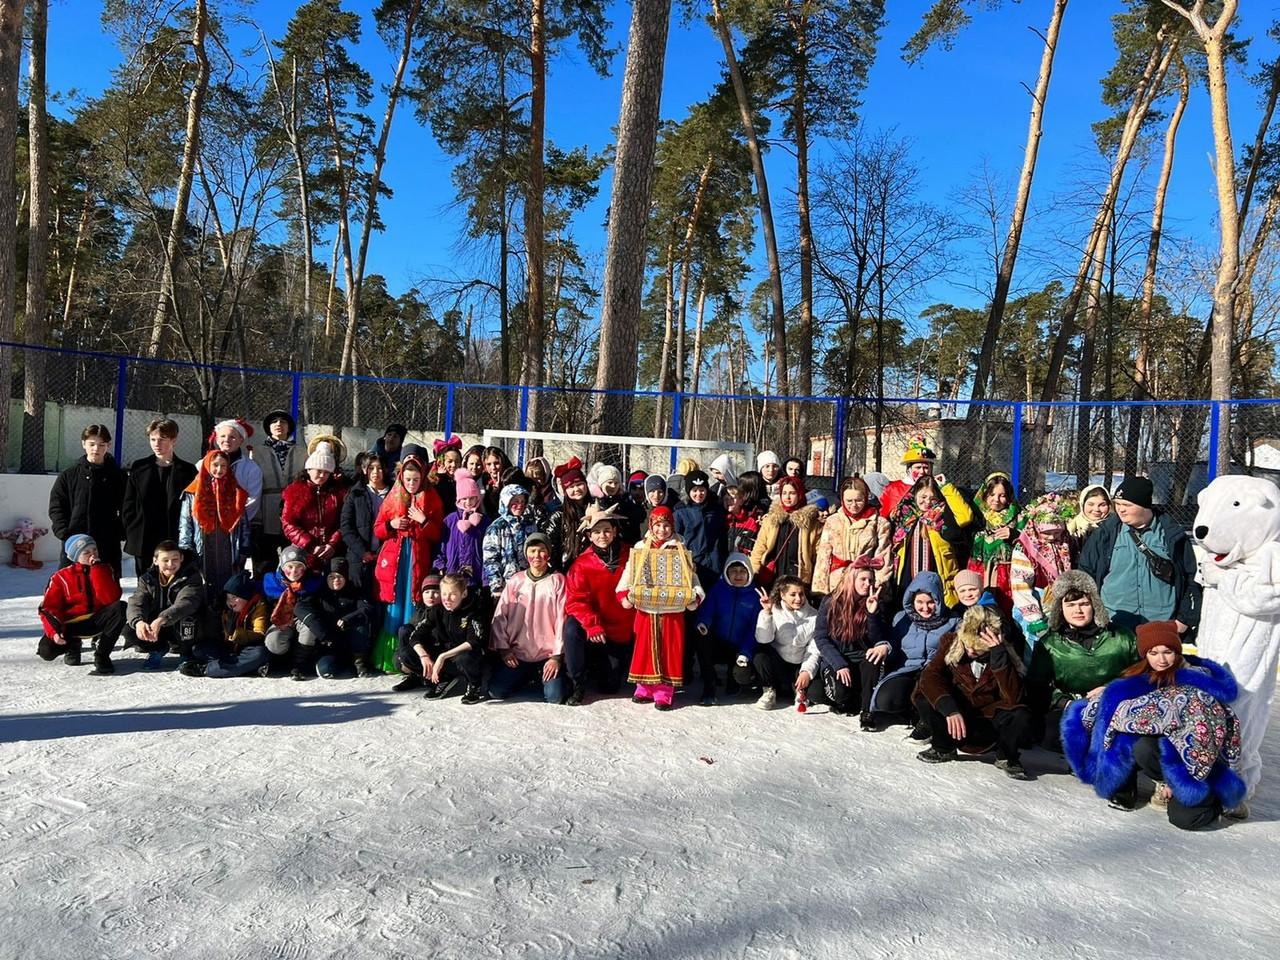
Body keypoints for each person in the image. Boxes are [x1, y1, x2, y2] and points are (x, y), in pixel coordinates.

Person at [1062, 620, 1245, 830]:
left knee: (1184, 819)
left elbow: (1203, 736)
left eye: (1167, 651)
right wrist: (1107, 691)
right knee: (1138, 743)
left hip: (1201, 763)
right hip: (1167, 757)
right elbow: (1131, 707)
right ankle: (1154, 783)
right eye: (1153, 653)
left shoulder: (1197, 683)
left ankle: (1222, 805)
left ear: (1177, 651)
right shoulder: (1144, 679)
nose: (1161, 659)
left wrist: (1180, 780)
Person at [913, 605, 1035, 780]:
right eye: (967, 645)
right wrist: (949, 709)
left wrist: (999, 656)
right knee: (925, 697)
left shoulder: (1007, 651)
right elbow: (930, 676)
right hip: (956, 718)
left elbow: (1015, 698)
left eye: (977, 649)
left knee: (1020, 714)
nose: (970, 651)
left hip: (989, 724)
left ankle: (1006, 756)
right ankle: (943, 747)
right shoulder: (949, 642)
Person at [1026, 570, 1138, 748]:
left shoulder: (1122, 636)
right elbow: (1036, 686)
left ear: (1094, 605)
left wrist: (1111, 689)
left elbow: (1141, 675)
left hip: (1116, 705)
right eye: (1070, 605)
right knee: (1050, 736)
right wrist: (1065, 702)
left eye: (1084, 604)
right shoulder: (1050, 643)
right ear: (1060, 609)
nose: (1077, 610)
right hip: (1072, 706)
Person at [1078, 475, 1200, 635]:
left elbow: (1192, 578)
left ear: (1144, 506)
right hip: (1115, 624)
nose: (1120, 509)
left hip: (1161, 624)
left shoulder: (1171, 535)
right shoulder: (1105, 534)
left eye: (1127, 505)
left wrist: (1184, 619)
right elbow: (1086, 575)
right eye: (1118, 504)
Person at [618, 506, 704, 711]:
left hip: (671, 611)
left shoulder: (680, 548)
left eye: (666, 526)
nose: (662, 530)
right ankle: (644, 686)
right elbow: (630, 573)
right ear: (651, 526)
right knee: (644, 648)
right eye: (658, 525)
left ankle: (664, 691)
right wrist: (624, 594)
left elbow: (691, 578)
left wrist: (695, 596)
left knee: (669, 650)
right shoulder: (641, 547)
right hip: (646, 609)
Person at [370, 454, 444, 673]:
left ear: (423, 478)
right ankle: (389, 657)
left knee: (414, 602)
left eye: (416, 479)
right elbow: (378, 529)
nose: (412, 484)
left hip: (418, 558)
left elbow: (438, 534)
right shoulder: (392, 498)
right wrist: (392, 524)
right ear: (401, 477)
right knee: (395, 602)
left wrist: (424, 521)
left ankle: (412, 656)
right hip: (396, 559)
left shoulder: (432, 500)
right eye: (408, 479)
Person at [562, 504, 635, 705]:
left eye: (606, 530)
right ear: (589, 536)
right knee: (571, 630)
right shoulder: (582, 564)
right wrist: (592, 624)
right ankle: (577, 682)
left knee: (609, 687)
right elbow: (576, 601)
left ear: (615, 532)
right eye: (596, 532)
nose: (601, 536)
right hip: (594, 626)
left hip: (620, 628)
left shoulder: (632, 555)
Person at [806, 559, 891, 728]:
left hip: (862, 657)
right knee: (839, 695)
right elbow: (821, 637)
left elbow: (876, 640)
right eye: (863, 579)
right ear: (852, 579)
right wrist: (839, 664)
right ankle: (850, 697)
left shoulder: (877, 602)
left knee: (873, 661)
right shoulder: (831, 602)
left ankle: (867, 711)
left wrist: (872, 613)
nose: (867, 584)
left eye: (871, 580)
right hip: (838, 658)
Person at [869, 571, 959, 725]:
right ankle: (909, 710)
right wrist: (885, 647)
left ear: (939, 600)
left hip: (935, 673)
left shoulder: (953, 621)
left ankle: (925, 716)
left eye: (930, 602)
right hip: (908, 669)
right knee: (886, 700)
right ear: (912, 600)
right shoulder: (902, 618)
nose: (925, 608)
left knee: (930, 694)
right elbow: (893, 646)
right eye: (920, 602)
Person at [488, 533, 568, 703]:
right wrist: (504, 649)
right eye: (532, 551)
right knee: (496, 691)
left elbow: (563, 619)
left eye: (541, 551)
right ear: (526, 554)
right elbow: (500, 616)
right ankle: (524, 676)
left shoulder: (557, 581)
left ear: (549, 554)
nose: (537, 555)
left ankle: (553, 679)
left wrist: (557, 657)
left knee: (555, 697)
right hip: (518, 654)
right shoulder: (516, 581)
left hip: (547, 655)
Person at [37, 534, 126, 675]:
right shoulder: (60, 577)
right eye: (87, 552)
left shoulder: (105, 570)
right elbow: (49, 608)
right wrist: (55, 632)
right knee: (47, 651)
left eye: (95, 550)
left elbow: (110, 599)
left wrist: (97, 571)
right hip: (71, 624)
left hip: (97, 620)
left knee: (120, 607)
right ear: (75, 557)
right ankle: (73, 645)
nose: (93, 555)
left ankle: (102, 655)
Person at [121, 417, 197, 576]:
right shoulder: (139, 467)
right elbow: (129, 503)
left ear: (173, 440)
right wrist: (132, 527)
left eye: (162, 439)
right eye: (153, 439)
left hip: (174, 536)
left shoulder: (188, 471)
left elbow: (193, 507)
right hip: (144, 537)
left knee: (175, 582)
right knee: (145, 584)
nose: (157, 444)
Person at [48, 424, 126, 576]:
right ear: (83, 444)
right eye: (91, 444)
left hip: (107, 544)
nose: (96, 449)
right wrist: (65, 533)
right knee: (70, 588)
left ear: (108, 445)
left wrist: (120, 532)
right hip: (75, 543)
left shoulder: (118, 476)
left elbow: (128, 508)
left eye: (101, 445)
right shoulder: (69, 475)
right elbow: (57, 507)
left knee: (107, 590)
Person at [178, 449, 251, 604]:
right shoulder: (193, 492)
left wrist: (244, 547)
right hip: (204, 543)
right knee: (205, 583)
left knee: (228, 582)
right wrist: (185, 549)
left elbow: (243, 522)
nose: (219, 469)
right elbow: (185, 523)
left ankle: (226, 616)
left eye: (223, 466)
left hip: (228, 543)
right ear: (207, 465)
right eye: (215, 465)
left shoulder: (235, 490)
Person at [890, 475, 974, 609]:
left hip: (938, 576)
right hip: (909, 577)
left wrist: (946, 487)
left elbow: (966, 516)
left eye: (932, 498)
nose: (927, 502)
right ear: (915, 494)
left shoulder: (942, 515)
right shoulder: (905, 515)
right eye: (923, 497)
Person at [408, 572, 487, 703]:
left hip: (465, 656)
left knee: (465, 657)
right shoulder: (437, 610)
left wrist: (443, 656)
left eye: (453, 594)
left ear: (464, 594)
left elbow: (475, 641)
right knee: (408, 654)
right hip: (445, 653)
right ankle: (443, 678)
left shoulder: (473, 611)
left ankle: (474, 685)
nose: (447, 599)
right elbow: (416, 636)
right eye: (444, 594)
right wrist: (424, 656)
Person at [692, 553, 760, 705]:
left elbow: (754, 629)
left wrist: (745, 652)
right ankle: (709, 685)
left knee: (740, 675)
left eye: (742, 571)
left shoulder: (755, 596)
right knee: (702, 637)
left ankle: (733, 678)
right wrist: (703, 623)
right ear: (726, 572)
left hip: (739, 648)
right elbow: (707, 610)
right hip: (719, 643)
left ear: (749, 573)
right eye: (733, 571)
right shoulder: (718, 589)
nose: (737, 575)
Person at [1009, 493, 1077, 647]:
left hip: (1061, 602)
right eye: (1047, 533)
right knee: (1036, 646)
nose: (1052, 537)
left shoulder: (1065, 542)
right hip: (1036, 602)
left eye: (1057, 532)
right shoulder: (1026, 547)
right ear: (1036, 527)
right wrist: (1034, 618)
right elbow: (1020, 583)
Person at [124, 540, 205, 670]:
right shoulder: (148, 578)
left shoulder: (191, 576)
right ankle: (158, 649)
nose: (170, 564)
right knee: (130, 630)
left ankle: (186, 653)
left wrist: (161, 619)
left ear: (181, 558)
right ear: (155, 561)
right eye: (165, 560)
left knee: (187, 619)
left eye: (175, 559)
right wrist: (139, 622)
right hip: (158, 626)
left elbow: (186, 603)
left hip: (179, 624)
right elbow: (137, 601)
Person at [179, 572, 273, 678]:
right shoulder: (226, 608)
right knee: (200, 650)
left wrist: (235, 632)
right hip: (229, 648)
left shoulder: (259, 606)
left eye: (234, 597)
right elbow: (213, 635)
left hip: (248, 648)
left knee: (260, 654)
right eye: (228, 598)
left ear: (246, 597)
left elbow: (260, 635)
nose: (231, 601)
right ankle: (249, 668)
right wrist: (214, 614)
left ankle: (206, 669)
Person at [744, 576, 818, 710]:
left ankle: (799, 692)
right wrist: (767, 613)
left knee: (817, 695)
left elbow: (814, 649)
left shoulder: (814, 616)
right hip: (778, 663)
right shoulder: (775, 611)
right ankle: (769, 690)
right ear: (783, 595)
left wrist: (806, 671)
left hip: (799, 664)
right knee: (761, 654)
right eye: (793, 594)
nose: (798, 599)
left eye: (801, 594)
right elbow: (763, 640)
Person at [294, 557, 374, 678]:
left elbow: (367, 609)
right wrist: (320, 630)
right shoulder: (319, 593)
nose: (336, 580)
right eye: (331, 576)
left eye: (339, 576)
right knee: (326, 671)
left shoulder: (354, 592)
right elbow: (300, 608)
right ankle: (303, 664)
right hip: (329, 643)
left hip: (350, 641)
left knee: (361, 623)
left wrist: (348, 620)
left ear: (346, 577)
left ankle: (359, 663)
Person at [812, 476, 892, 596]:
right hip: (837, 582)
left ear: (865, 498)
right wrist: (820, 589)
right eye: (849, 501)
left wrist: (877, 585)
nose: (854, 505)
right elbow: (823, 556)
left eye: (858, 500)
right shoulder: (833, 521)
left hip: (865, 583)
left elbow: (884, 557)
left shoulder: (879, 523)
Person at [281, 439, 347, 571]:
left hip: (331, 551)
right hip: (302, 551)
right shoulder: (296, 491)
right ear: (309, 469)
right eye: (318, 470)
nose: (322, 475)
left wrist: (333, 544)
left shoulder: (338, 494)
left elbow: (344, 521)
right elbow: (289, 523)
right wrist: (310, 545)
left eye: (327, 472)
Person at [262, 545, 324, 680]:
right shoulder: (272, 582)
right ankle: (282, 661)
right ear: (283, 567)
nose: (294, 571)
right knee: (274, 641)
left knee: (309, 632)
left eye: (298, 567)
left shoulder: (313, 582)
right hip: (281, 619)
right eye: (290, 567)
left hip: (303, 619)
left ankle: (299, 664)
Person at [255, 409, 306, 570]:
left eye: (283, 422)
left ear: (289, 427)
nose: (279, 425)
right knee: (264, 560)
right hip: (266, 507)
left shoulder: (301, 451)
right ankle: (262, 593)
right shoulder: (256, 452)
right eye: (274, 422)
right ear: (268, 427)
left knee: (293, 557)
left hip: (293, 509)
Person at [750, 475, 822, 588]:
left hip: (797, 578)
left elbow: (817, 554)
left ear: (800, 494)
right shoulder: (771, 519)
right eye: (784, 493)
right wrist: (754, 571)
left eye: (792, 493)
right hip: (772, 576)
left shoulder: (811, 523)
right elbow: (760, 547)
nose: (787, 497)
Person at [967, 472, 1021, 608]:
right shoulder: (975, 515)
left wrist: (1015, 535)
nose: (996, 500)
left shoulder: (1018, 516)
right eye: (992, 495)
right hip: (979, 568)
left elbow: (1031, 540)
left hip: (1007, 571)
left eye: (1002, 496)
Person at [340, 451, 392, 592]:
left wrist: (383, 552)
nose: (376, 472)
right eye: (371, 468)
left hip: (387, 556)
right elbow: (346, 527)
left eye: (380, 468)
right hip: (359, 557)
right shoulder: (355, 494)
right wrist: (362, 552)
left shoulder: (394, 493)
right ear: (364, 470)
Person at [390, 571, 444, 691]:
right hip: (419, 656)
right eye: (427, 592)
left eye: (436, 592)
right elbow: (403, 643)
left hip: (437, 657)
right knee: (404, 630)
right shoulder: (417, 614)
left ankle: (435, 678)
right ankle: (415, 675)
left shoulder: (445, 614)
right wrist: (400, 661)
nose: (430, 596)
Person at [439, 469, 490, 590]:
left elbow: (488, 550)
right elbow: (441, 545)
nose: (468, 502)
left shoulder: (484, 521)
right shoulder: (450, 521)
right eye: (464, 498)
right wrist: (440, 565)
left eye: (472, 498)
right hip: (452, 573)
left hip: (476, 575)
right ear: (458, 499)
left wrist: (486, 579)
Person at [675, 470, 726, 589]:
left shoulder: (716, 510)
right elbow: (676, 540)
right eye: (694, 490)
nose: (699, 494)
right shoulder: (681, 512)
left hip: (714, 565)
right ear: (688, 492)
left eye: (702, 490)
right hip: (693, 565)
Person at [483, 483, 537, 596]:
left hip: (528, 582)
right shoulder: (496, 527)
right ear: (506, 503)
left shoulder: (530, 524)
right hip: (506, 586)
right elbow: (490, 559)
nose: (519, 505)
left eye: (522, 502)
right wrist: (497, 586)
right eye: (515, 502)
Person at [210, 418, 263, 526]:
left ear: (241, 441)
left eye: (232, 437)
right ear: (216, 439)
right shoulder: (203, 464)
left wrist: (233, 520)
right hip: (209, 522)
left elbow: (253, 499)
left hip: (238, 524)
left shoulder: (251, 468)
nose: (227, 440)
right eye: (223, 436)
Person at [545, 458, 593, 570]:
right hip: (567, 569)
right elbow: (550, 548)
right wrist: (557, 573)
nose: (576, 489)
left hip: (592, 568)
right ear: (565, 490)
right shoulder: (558, 515)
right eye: (571, 487)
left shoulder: (596, 508)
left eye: (580, 484)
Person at [878, 433, 937, 519]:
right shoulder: (893, 489)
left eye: (926, 468)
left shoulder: (937, 487)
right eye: (918, 467)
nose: (922, 471)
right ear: (909, 469)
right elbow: (883, 517)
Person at [1067, 483, 1112, 550]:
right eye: (1091, 504)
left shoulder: (1114, 528)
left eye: (1102, 505)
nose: (1096, 509)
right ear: (1082, 504)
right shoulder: (1071, 528)